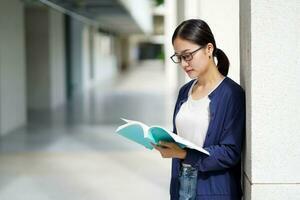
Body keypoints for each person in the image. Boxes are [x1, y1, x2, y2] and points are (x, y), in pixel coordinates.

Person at [152, 19, 246, 200]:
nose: (184, 64)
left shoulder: (231, 94)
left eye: (187, 55)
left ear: (208, 49)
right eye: (179, 57)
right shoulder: (184, 91)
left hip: (214, 190)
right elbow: (181, 137)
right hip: (182, 185)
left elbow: (230, 152)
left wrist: (183, 154)